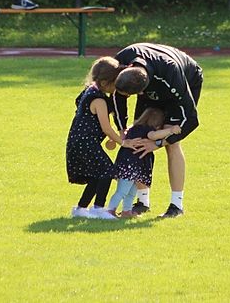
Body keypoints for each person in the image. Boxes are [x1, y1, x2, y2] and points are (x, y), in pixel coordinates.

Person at [112, 43, 203, 218]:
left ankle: (176, 205)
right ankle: (142, 202)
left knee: (173, 143)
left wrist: (159, 143)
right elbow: (117, 97)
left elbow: (191, 120)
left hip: (185, 80)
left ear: (142, 92)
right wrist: (122, 130)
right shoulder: (122, 60)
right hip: (153, 79)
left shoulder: (171, 73)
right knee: (137, 137)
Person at [66, 57, 126, 220]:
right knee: (107, 171)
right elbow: (106, 128)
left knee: (96, 174)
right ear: (105, 82)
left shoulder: (90, 90)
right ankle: (98, 209)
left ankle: (81, 208)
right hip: (86, 142)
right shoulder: (98, 99)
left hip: (79, 141)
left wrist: (112, 137)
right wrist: (123, 143)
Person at [105, 107, 181, 218]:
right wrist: (170, 130)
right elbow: (153, 136)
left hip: (130, 165)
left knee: (131, 192)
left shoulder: (133, 128)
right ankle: (110, 211)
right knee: (122, 191)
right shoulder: (146, 130)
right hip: (131, 166)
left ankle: (127, 211)